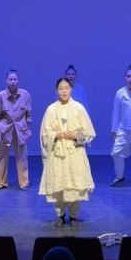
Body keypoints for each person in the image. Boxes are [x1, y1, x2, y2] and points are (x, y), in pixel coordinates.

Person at [39, 78, 96, 228]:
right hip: (57, 153)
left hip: (74, 152)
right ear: (56, 91)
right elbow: (44, 134)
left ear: (71, 89)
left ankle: (73, 216)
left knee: (73, 184)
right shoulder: (51, 109)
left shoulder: (79, 108)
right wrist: (56, 135)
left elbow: (89, 133)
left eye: (66, 88)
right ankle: (60, 215)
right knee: (59, 183)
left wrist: (77, 136)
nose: (64, 91)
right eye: (61, 88)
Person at [0, 69, 32, 190]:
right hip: (5, 130)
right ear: (6, 80)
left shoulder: (25, 94)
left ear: (18, 80)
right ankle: (2, 182)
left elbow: (29, 114)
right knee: (2, 157)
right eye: (10, 79)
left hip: (20, 129)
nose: (13, 81)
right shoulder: (0, 96)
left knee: (22, 157)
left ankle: (24, 182)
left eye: (15, 79)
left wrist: (29, 129)